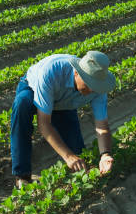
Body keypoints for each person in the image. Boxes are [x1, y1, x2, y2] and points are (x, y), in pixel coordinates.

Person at [10, 51, 116, 188]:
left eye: (94, 85)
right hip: (33, 89)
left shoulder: (98, 89)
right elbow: (44, 124)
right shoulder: (51, 72)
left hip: (65, 102)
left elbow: (102, 126)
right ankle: (22, 176)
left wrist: (105, 154)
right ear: (77, 73)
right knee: (22, 104)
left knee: (78, 156)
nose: (91, 89)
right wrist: (68, 156)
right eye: (88, 83)